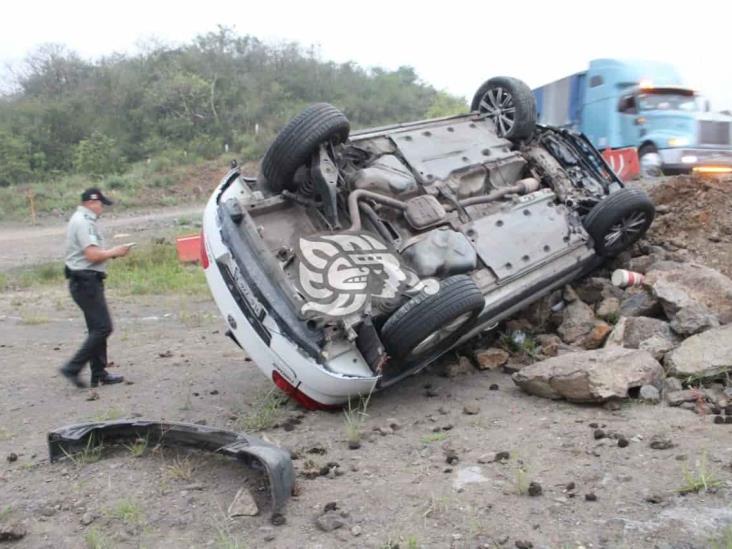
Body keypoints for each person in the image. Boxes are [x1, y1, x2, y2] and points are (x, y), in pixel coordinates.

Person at [59, 188, 133, 388]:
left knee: (96, 327)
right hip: (86, 280)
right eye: (101, 204)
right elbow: (92, 255)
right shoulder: (84, 222)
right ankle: (72, 368)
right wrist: (114, 251)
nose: (101, 209)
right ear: (92, 202)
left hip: (84, 279)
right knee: (103, 327)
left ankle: (99, 373)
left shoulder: (80, 219)